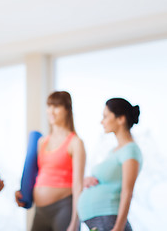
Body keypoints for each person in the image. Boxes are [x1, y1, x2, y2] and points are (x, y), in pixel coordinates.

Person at [15, 91, 86, 231]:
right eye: (49, 106)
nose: (51, 111)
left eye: (56, 106)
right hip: (40, 211)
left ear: (67, 110)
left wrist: (75, 222)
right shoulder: (42, 142)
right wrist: (23, 192)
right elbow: (38, 175)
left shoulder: (75, 142)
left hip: (63, 208)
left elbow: (78, 185)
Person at [77, 98, 142, 231]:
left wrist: (118, 227)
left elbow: (127, 191)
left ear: (121, 119)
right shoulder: (114, 151)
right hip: (101, 220)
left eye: (106, 116)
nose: (102, 121)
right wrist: (89, 180)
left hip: (110, 221)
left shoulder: (131, 150)